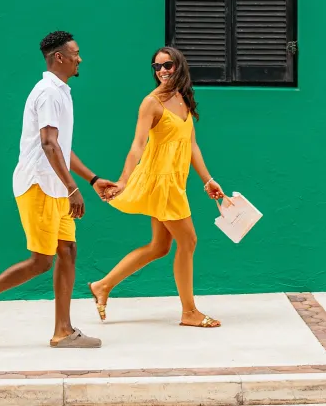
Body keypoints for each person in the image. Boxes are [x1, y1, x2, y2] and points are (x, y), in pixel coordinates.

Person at [0, 31, 119, 348]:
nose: (80, 58)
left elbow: (61, 146)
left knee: (67, 251)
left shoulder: (61, 92)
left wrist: (92, 179)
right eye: (75, 53)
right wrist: (74, 189)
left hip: (55, 187)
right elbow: (48, 144)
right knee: (42, 260)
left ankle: (63, 331)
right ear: (59, 57)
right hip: (40, 185)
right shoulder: (48, 93)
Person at [89, 47, 226, 328]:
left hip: (175, 181)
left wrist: (208, 180)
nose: (162, 70)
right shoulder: (151, 103)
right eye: (157, 66)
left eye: (168, 65)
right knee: (188, 241)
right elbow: (137, 145)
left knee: (160, 246)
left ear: (180, 67)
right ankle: (189, 312)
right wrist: (124, 180)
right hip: (161, 182)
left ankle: (102, 285)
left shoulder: (183, 98)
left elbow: (191, 145)